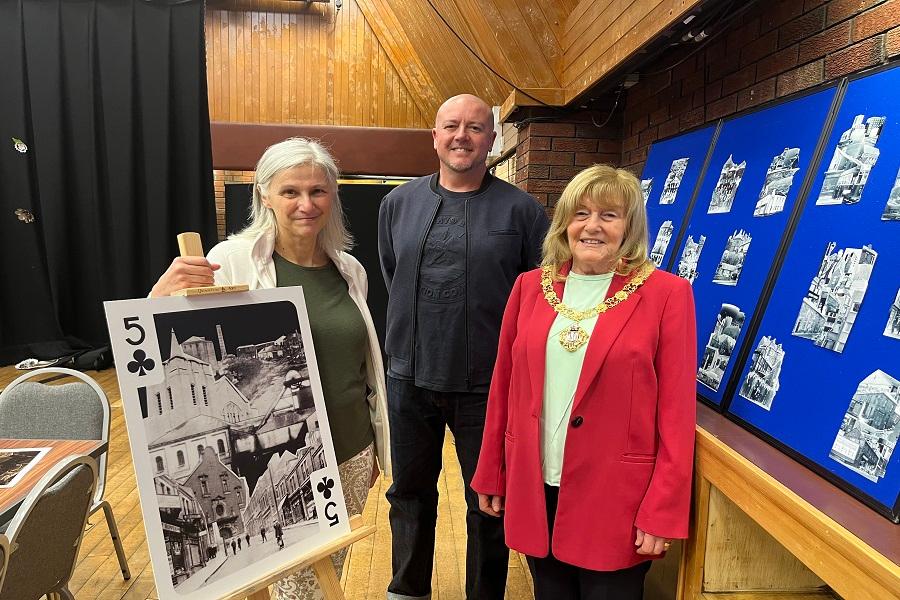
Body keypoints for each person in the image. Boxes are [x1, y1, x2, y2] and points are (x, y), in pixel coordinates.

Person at [151, 137, 390, 600]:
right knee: (293, 587)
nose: (306, 204)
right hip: (267, 463)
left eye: (318, 191)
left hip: (351, 450)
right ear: (264, 195)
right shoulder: (230, 261)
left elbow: (364, 368)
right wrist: (160, 296)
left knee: (324, 574)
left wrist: (376, 447)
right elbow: (154, 344)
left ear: (333, 195)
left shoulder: (350, 270)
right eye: (291, 192)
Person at [471, 164, 697, 599]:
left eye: (609, 215)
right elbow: (503, 388)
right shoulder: (528, 288)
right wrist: (491, 473)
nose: (592, 226)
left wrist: (662, 510)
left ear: (629, 227)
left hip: (619, 500)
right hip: (535, 486)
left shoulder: (668, 294)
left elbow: (676, 412)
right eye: (581, 213)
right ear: (564, 223)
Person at [378, 94, 549, 600]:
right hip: (409, 377)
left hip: (489, 385)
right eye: (451, 126)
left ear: (491, 141)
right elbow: (394, 273)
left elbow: (538, 292)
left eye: (475, 128)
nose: (462, 136)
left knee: (489, 501)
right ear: (434, 136)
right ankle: (407, 590)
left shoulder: (521, 210)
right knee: (408, 494)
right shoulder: (397, 205)